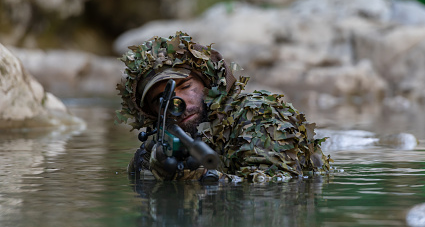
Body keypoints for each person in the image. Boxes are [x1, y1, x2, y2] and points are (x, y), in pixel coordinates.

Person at [117, 31, 330, 182]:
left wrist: (195, 177)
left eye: (186, 86)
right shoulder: (170, 138)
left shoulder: (258, 115)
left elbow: (273, 188)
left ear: (207, 82)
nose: (177, 102)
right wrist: (154, 163)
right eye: (161, 100)